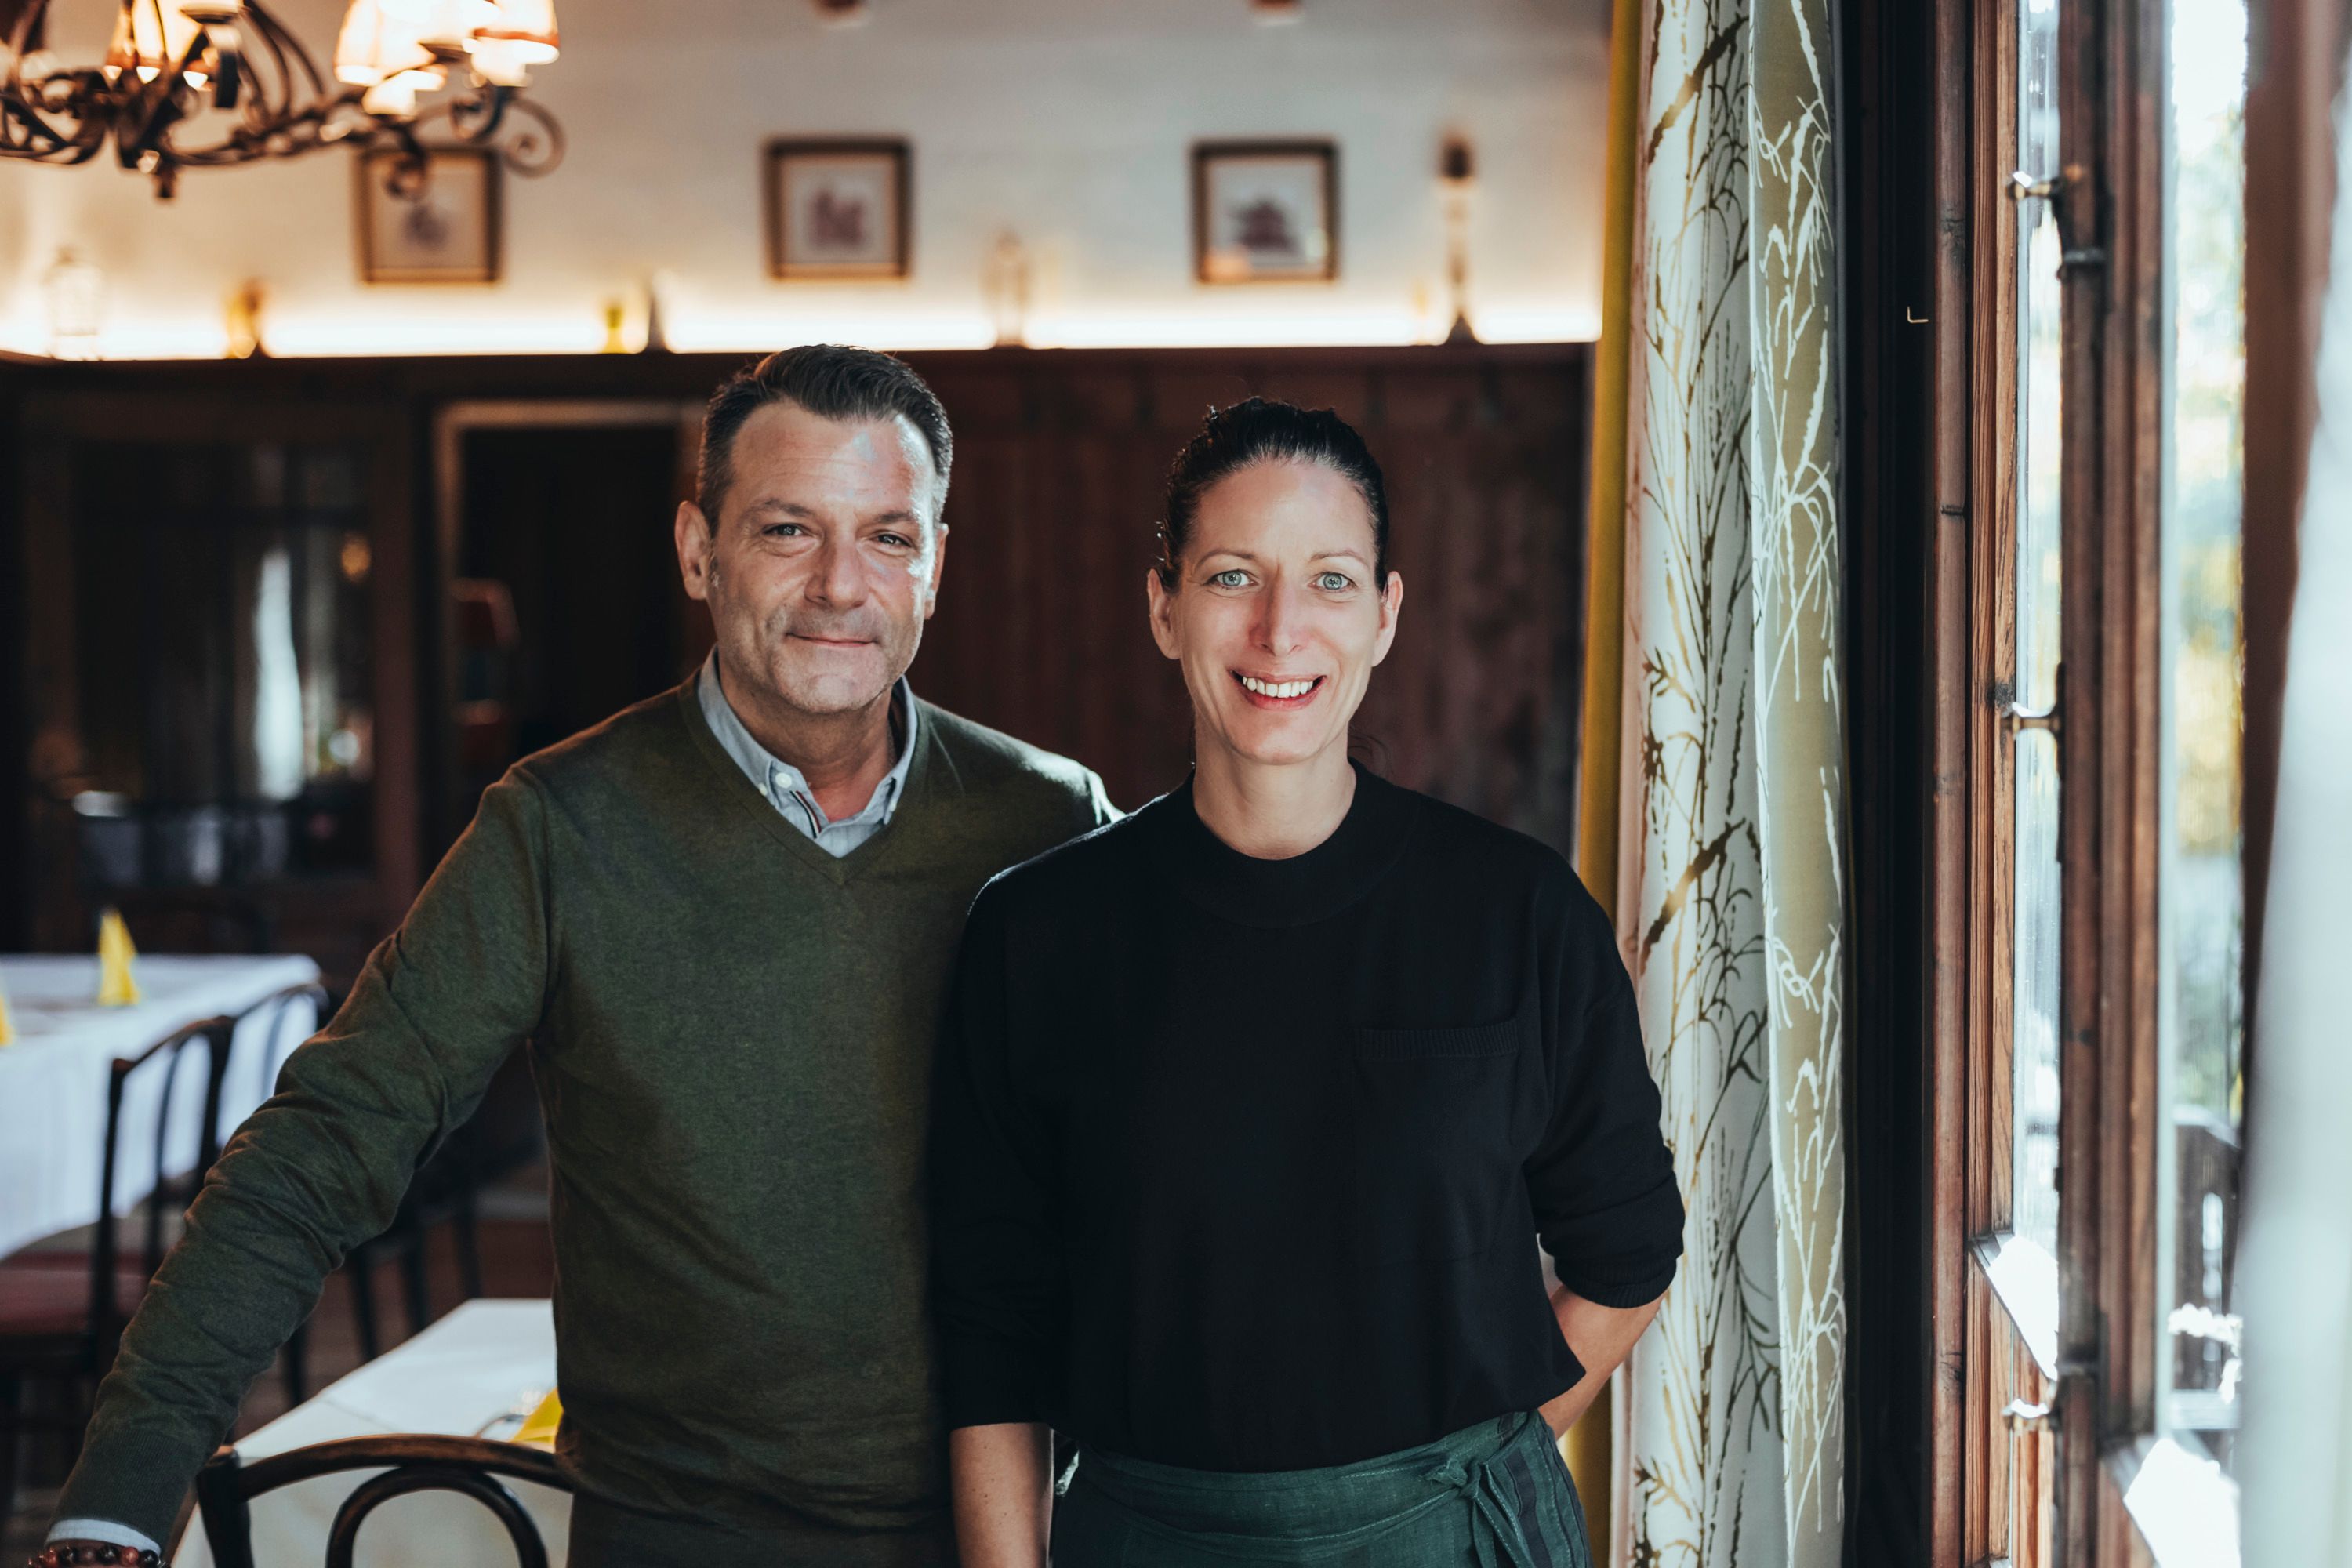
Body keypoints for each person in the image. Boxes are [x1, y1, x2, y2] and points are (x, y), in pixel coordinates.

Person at [39, 346, 1115, 1568]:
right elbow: (323, 1146)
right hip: (677, 1538)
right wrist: (116, 1497)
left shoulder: (1047, 817)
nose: (839, 585)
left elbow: (1165, 1162)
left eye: (887, 536)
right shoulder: (560, 826)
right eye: (785, 530)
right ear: (698, 551)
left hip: (1012, 1526)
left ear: (937, 566)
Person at [930, 398, 1684, 1567]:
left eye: (1331, 580)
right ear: (1164, 608)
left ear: (1385, 617)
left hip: (1456, 1532)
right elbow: (992, 1320)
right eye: (1234, 576)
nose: (1281, 630)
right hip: (1144, 1534)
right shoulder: (1036, 931)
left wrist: (1460, 1477)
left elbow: (1628, 1253)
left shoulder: (1517, 915)